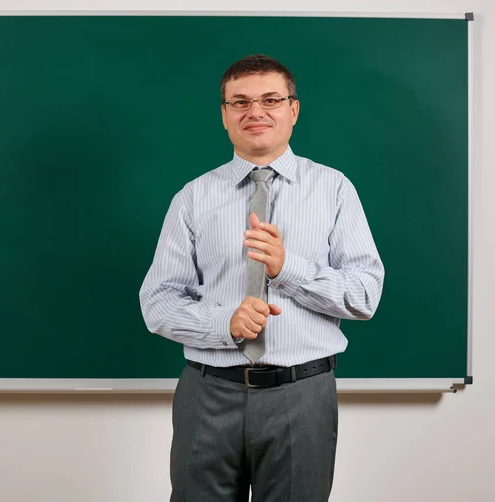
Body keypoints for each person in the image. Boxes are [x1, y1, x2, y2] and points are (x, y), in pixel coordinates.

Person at [139, 54, 384, 502]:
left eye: (271, 99)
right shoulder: (193, 198)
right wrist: (224, 324)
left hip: (302, 395)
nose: (255, 112)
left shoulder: (334, 189)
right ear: (224, 115)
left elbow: (365, 295)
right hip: (208, 392)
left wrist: (287, 268)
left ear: (293, 109)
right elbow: (158, 301)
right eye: (240, 102)